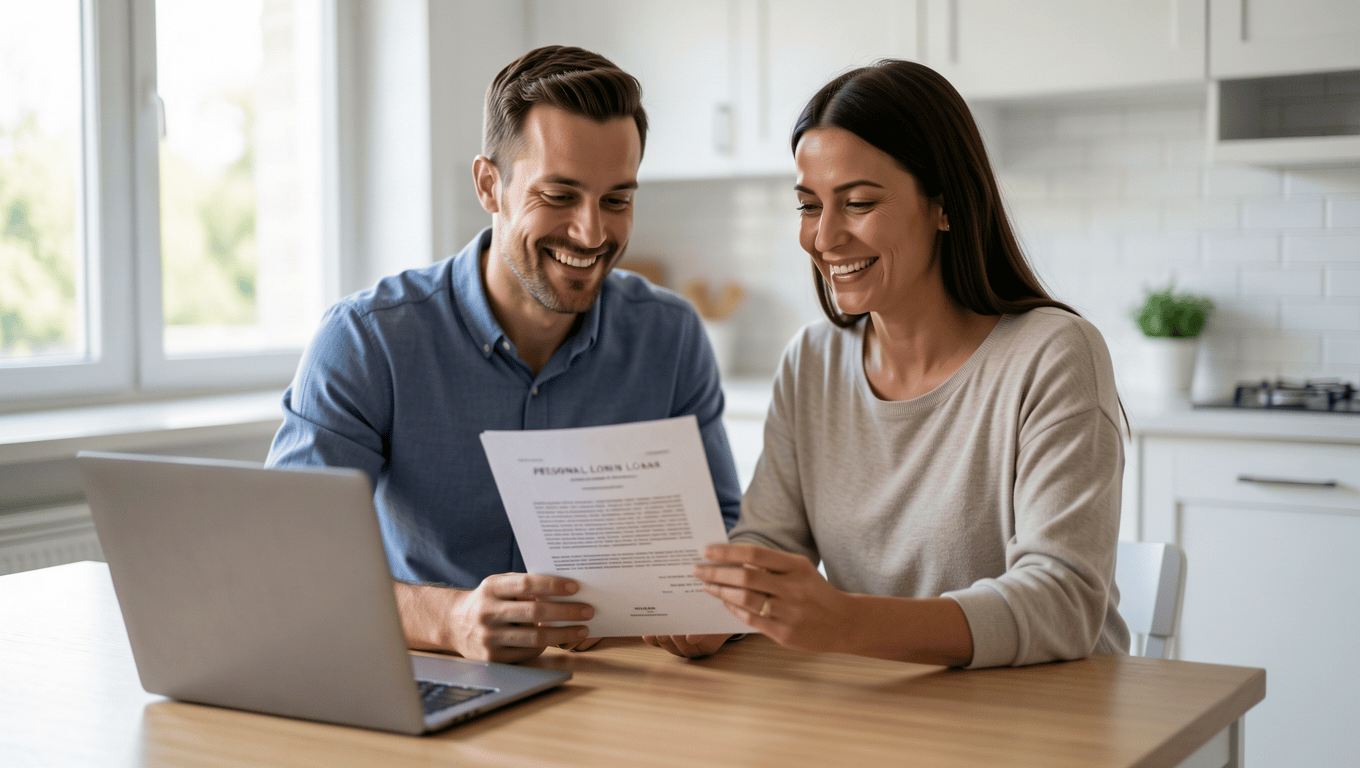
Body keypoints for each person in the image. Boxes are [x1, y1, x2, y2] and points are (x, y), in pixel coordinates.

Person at [646, 60, 1130, 667]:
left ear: (944, 206)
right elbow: (770, 544)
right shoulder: (813, 362)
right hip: (883, 705)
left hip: (1048, 711)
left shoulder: (1053, 356)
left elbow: (1062, 603)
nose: (824, 237)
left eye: (858, 203)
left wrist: (845, 622)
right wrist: (720, 612)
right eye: (808, 206)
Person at [267, 46, 741, 664]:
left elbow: (726, 535)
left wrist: (718, 607)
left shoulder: (670, 336)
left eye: (617, 200)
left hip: (618, 681)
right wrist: (451, 622)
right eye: (560, 195)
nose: (592, 233)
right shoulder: (366, 339)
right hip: (432, 679)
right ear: (490, 185)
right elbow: (285, 560)